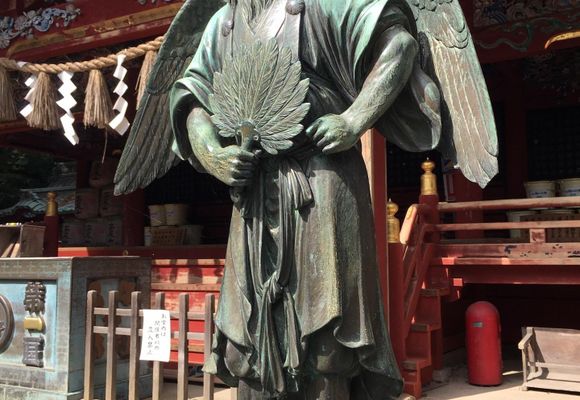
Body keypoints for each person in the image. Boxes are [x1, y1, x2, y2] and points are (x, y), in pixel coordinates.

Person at [170, 0, 441, 398]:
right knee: (248, 344)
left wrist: (354, 119)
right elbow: (192, 98)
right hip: (253, 185)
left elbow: (399, 45)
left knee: (328, 342)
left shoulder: (323, 3)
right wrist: (211, 152)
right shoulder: (224, 22)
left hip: (323, 177)